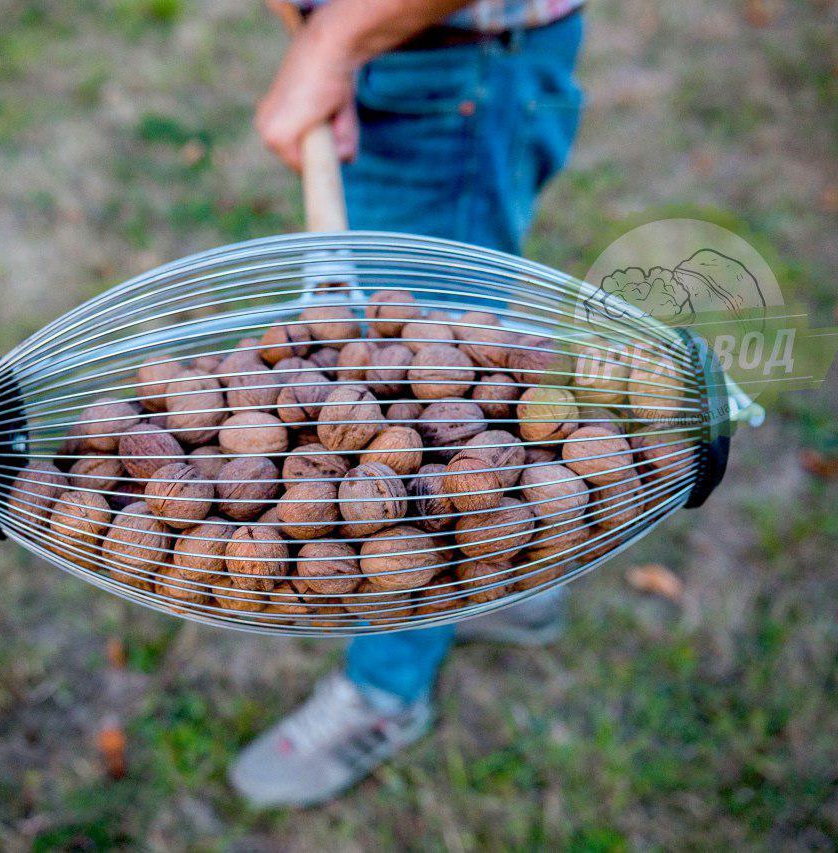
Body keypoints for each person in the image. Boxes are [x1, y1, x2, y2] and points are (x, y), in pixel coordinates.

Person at [229, 0, 586, 808]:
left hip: (451, 53)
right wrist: (323, 40)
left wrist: (334, 38)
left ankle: (386, 689)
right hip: (393, 42)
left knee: (429, 401)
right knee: (421, 372)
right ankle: (512, 582)